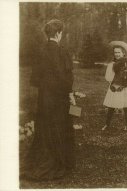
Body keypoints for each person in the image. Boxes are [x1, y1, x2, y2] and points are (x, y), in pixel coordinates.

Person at [21, 19, 76, 180]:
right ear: (59, 33)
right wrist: (70, 93)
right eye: (61, 33)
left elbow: (34, 79)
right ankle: (58, 161)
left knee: (45, 127)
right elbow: (65, 77)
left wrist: (47, 86)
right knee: (60, 126)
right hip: (59, 98)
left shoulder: (41, 50)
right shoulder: (62, 51)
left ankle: (41, 159)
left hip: (45, 97)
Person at [102, 41, 127, 131]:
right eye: (115, 52)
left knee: (126, 106)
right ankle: (107, 124)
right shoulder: (112, 64)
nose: (117, 54)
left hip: (125, 87)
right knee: (111, 106)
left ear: (123, 53)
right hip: (114, 86)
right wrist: (114, 82)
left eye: (119, 52)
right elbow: (108, 77)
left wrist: (125, 82)